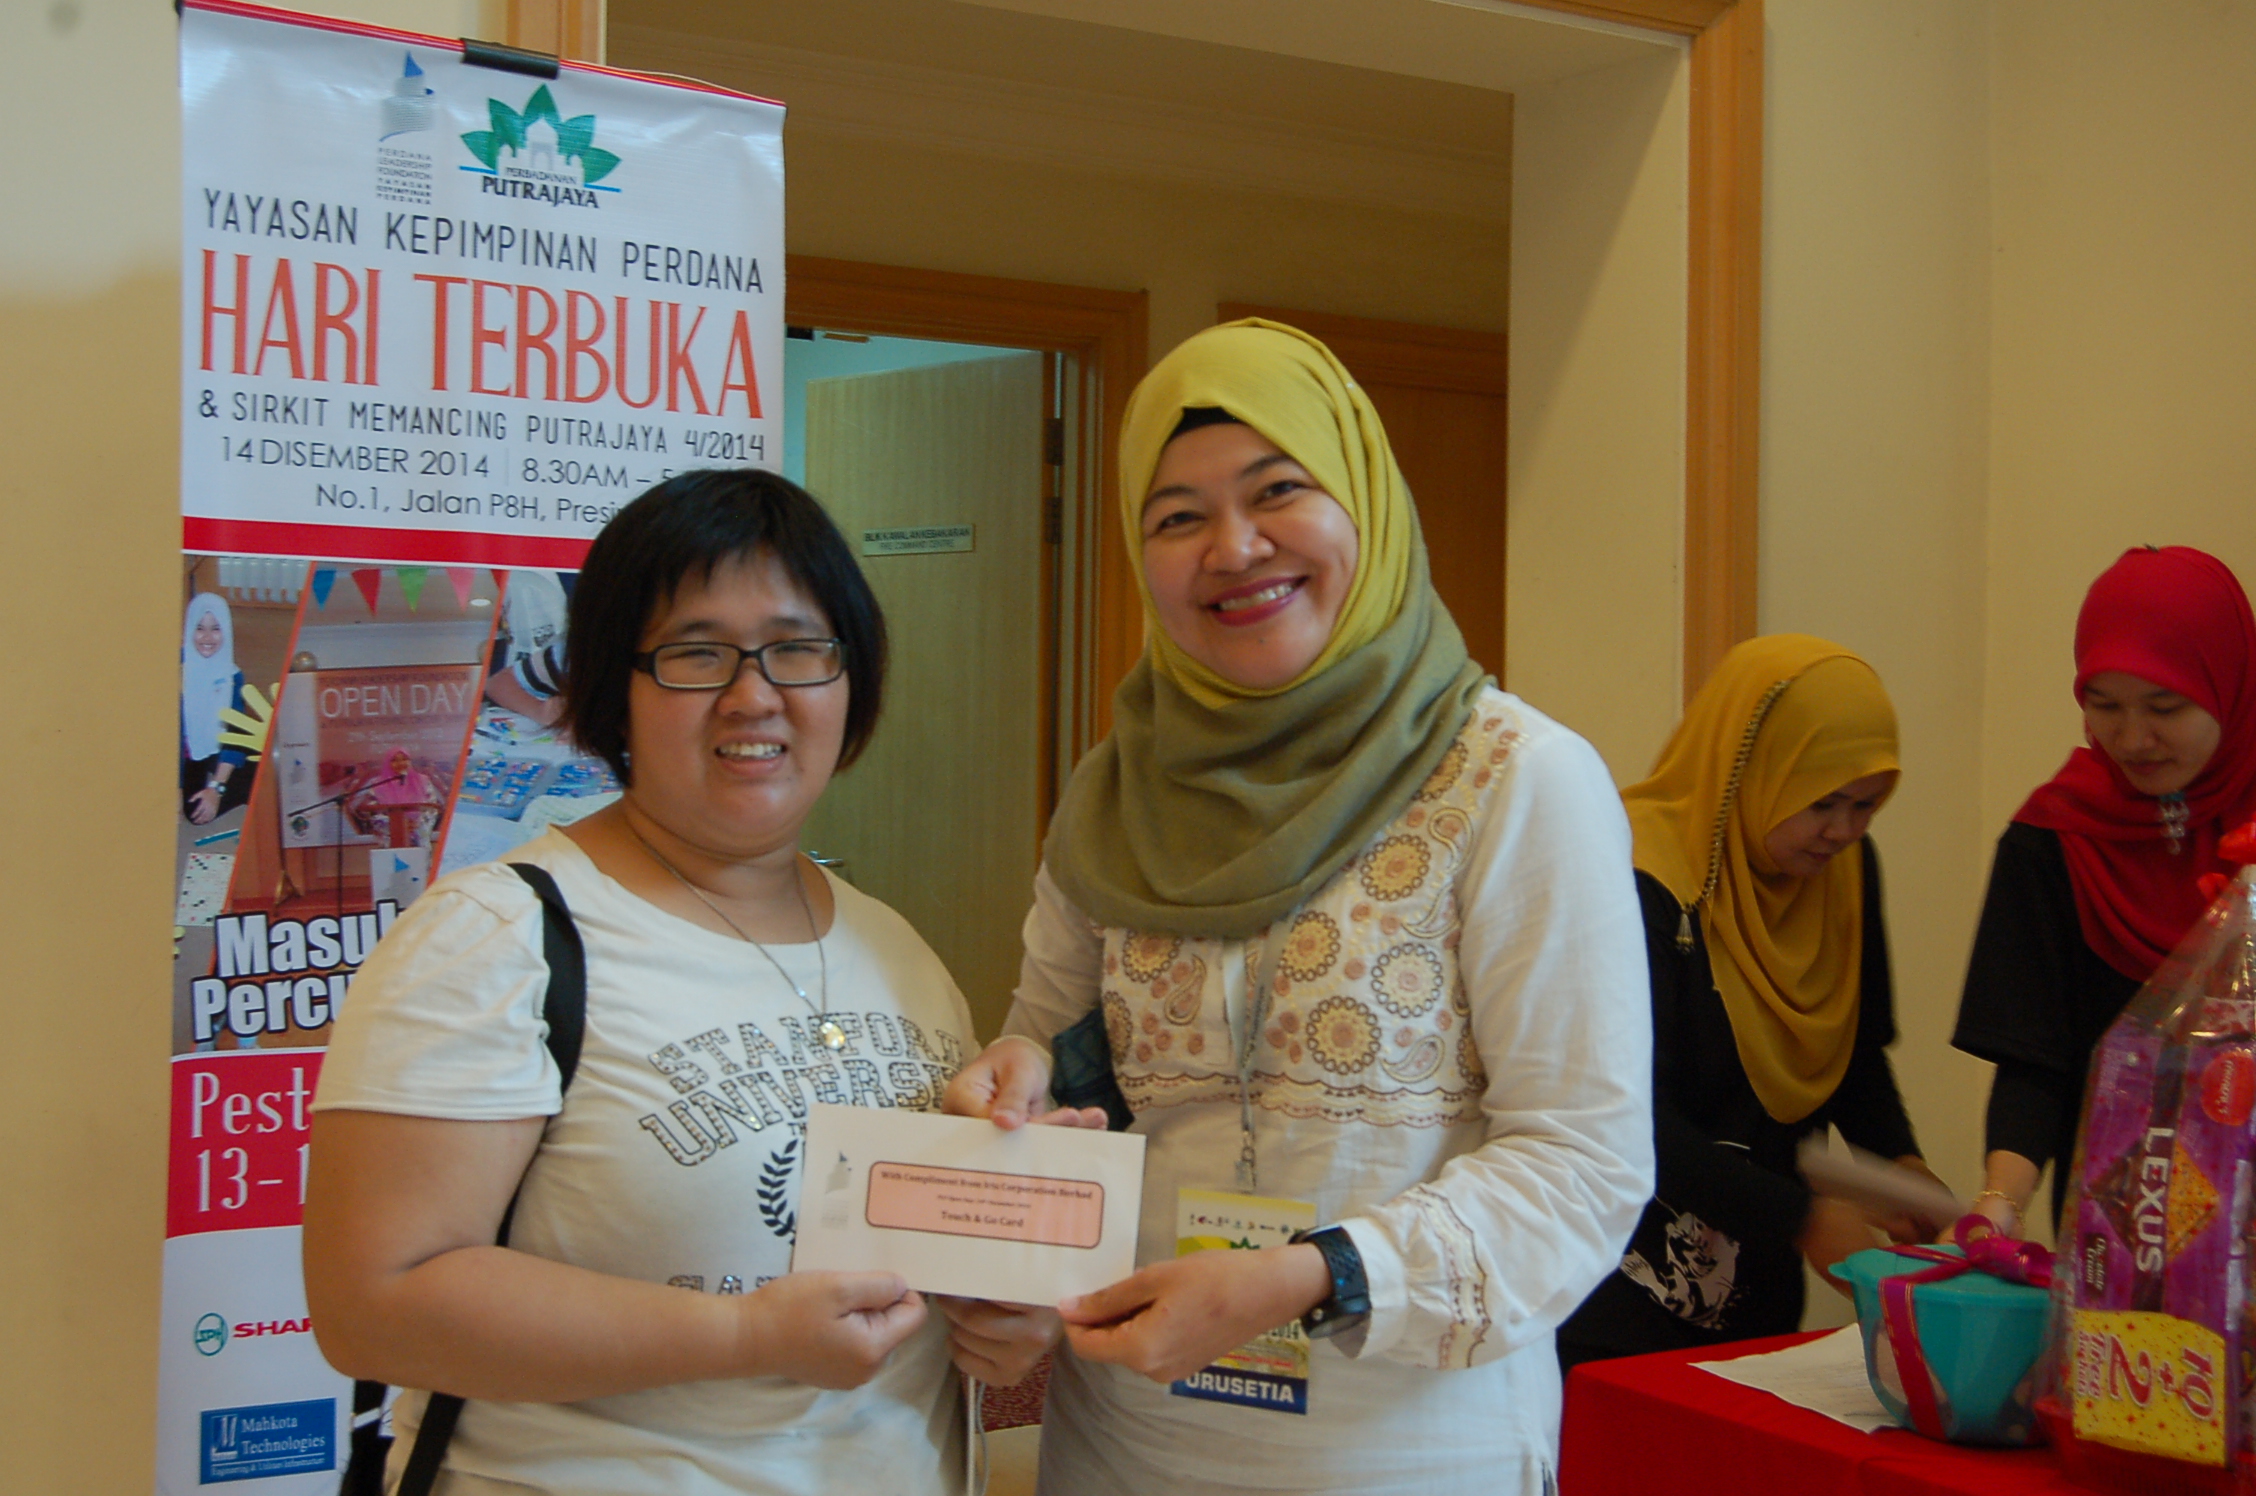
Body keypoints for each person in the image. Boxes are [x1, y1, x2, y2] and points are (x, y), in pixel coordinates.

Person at [943, 320, 1654, 1496]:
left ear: (1365, 503)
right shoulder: (1116, 789)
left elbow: (1581, 1163)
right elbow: (1052, 1048)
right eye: (1178, 515)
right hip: (1127, 1438)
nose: (1233, 546)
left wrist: (1307, 1274)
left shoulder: (1516, 776)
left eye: (1278, 490)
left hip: (1409, 1450)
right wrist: (1016, 1082)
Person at [304, 470, 1062, 1495]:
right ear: (613, 688)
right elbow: (373, 1305)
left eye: (798, 648)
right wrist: (743, 1334)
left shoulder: (897, 949)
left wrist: (997, 1308)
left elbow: (912, 1278)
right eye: (697, 653)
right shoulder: (494, 938)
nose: (755, 695)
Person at [1555, 635, 1935, 1369]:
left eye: (1866, 804)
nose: (1843, 831)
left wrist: (1901, 1163)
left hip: (1757, 1293)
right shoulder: (1636, 878)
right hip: (1613, 1299)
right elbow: (1622, 1113)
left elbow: (1849, 1052)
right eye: (1822, 802)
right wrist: (1804, 1217)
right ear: (1751, 772)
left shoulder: (1843, 873)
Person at [1952, 546, 2256, 1235]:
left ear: (2230, 687)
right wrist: (1998, 1205)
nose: (2133, 738)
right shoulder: (2053, 840)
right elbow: (2034, 1063)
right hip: (2121, 1232)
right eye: (2104, 705)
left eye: (2165, 706)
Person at [181, 590, 253, 823]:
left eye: (216, 628)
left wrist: (216, 788)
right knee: (194, 811)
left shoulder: (232, 676)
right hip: (187, 753)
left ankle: (235, 787)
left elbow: (235, 733)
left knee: (258, 772)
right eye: (199, 628)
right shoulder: (176, 668)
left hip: (217, 746)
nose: (207, 637)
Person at [347, 747, 447, 848]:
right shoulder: (378, 784)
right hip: (389, 837)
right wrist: (397, 825)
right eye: (394, 760)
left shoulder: (423, 781)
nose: (400, 763)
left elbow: (432, 808)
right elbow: (373, 812)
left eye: (404, 759)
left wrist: (416, 824)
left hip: (418, 833)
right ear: (387, 763)